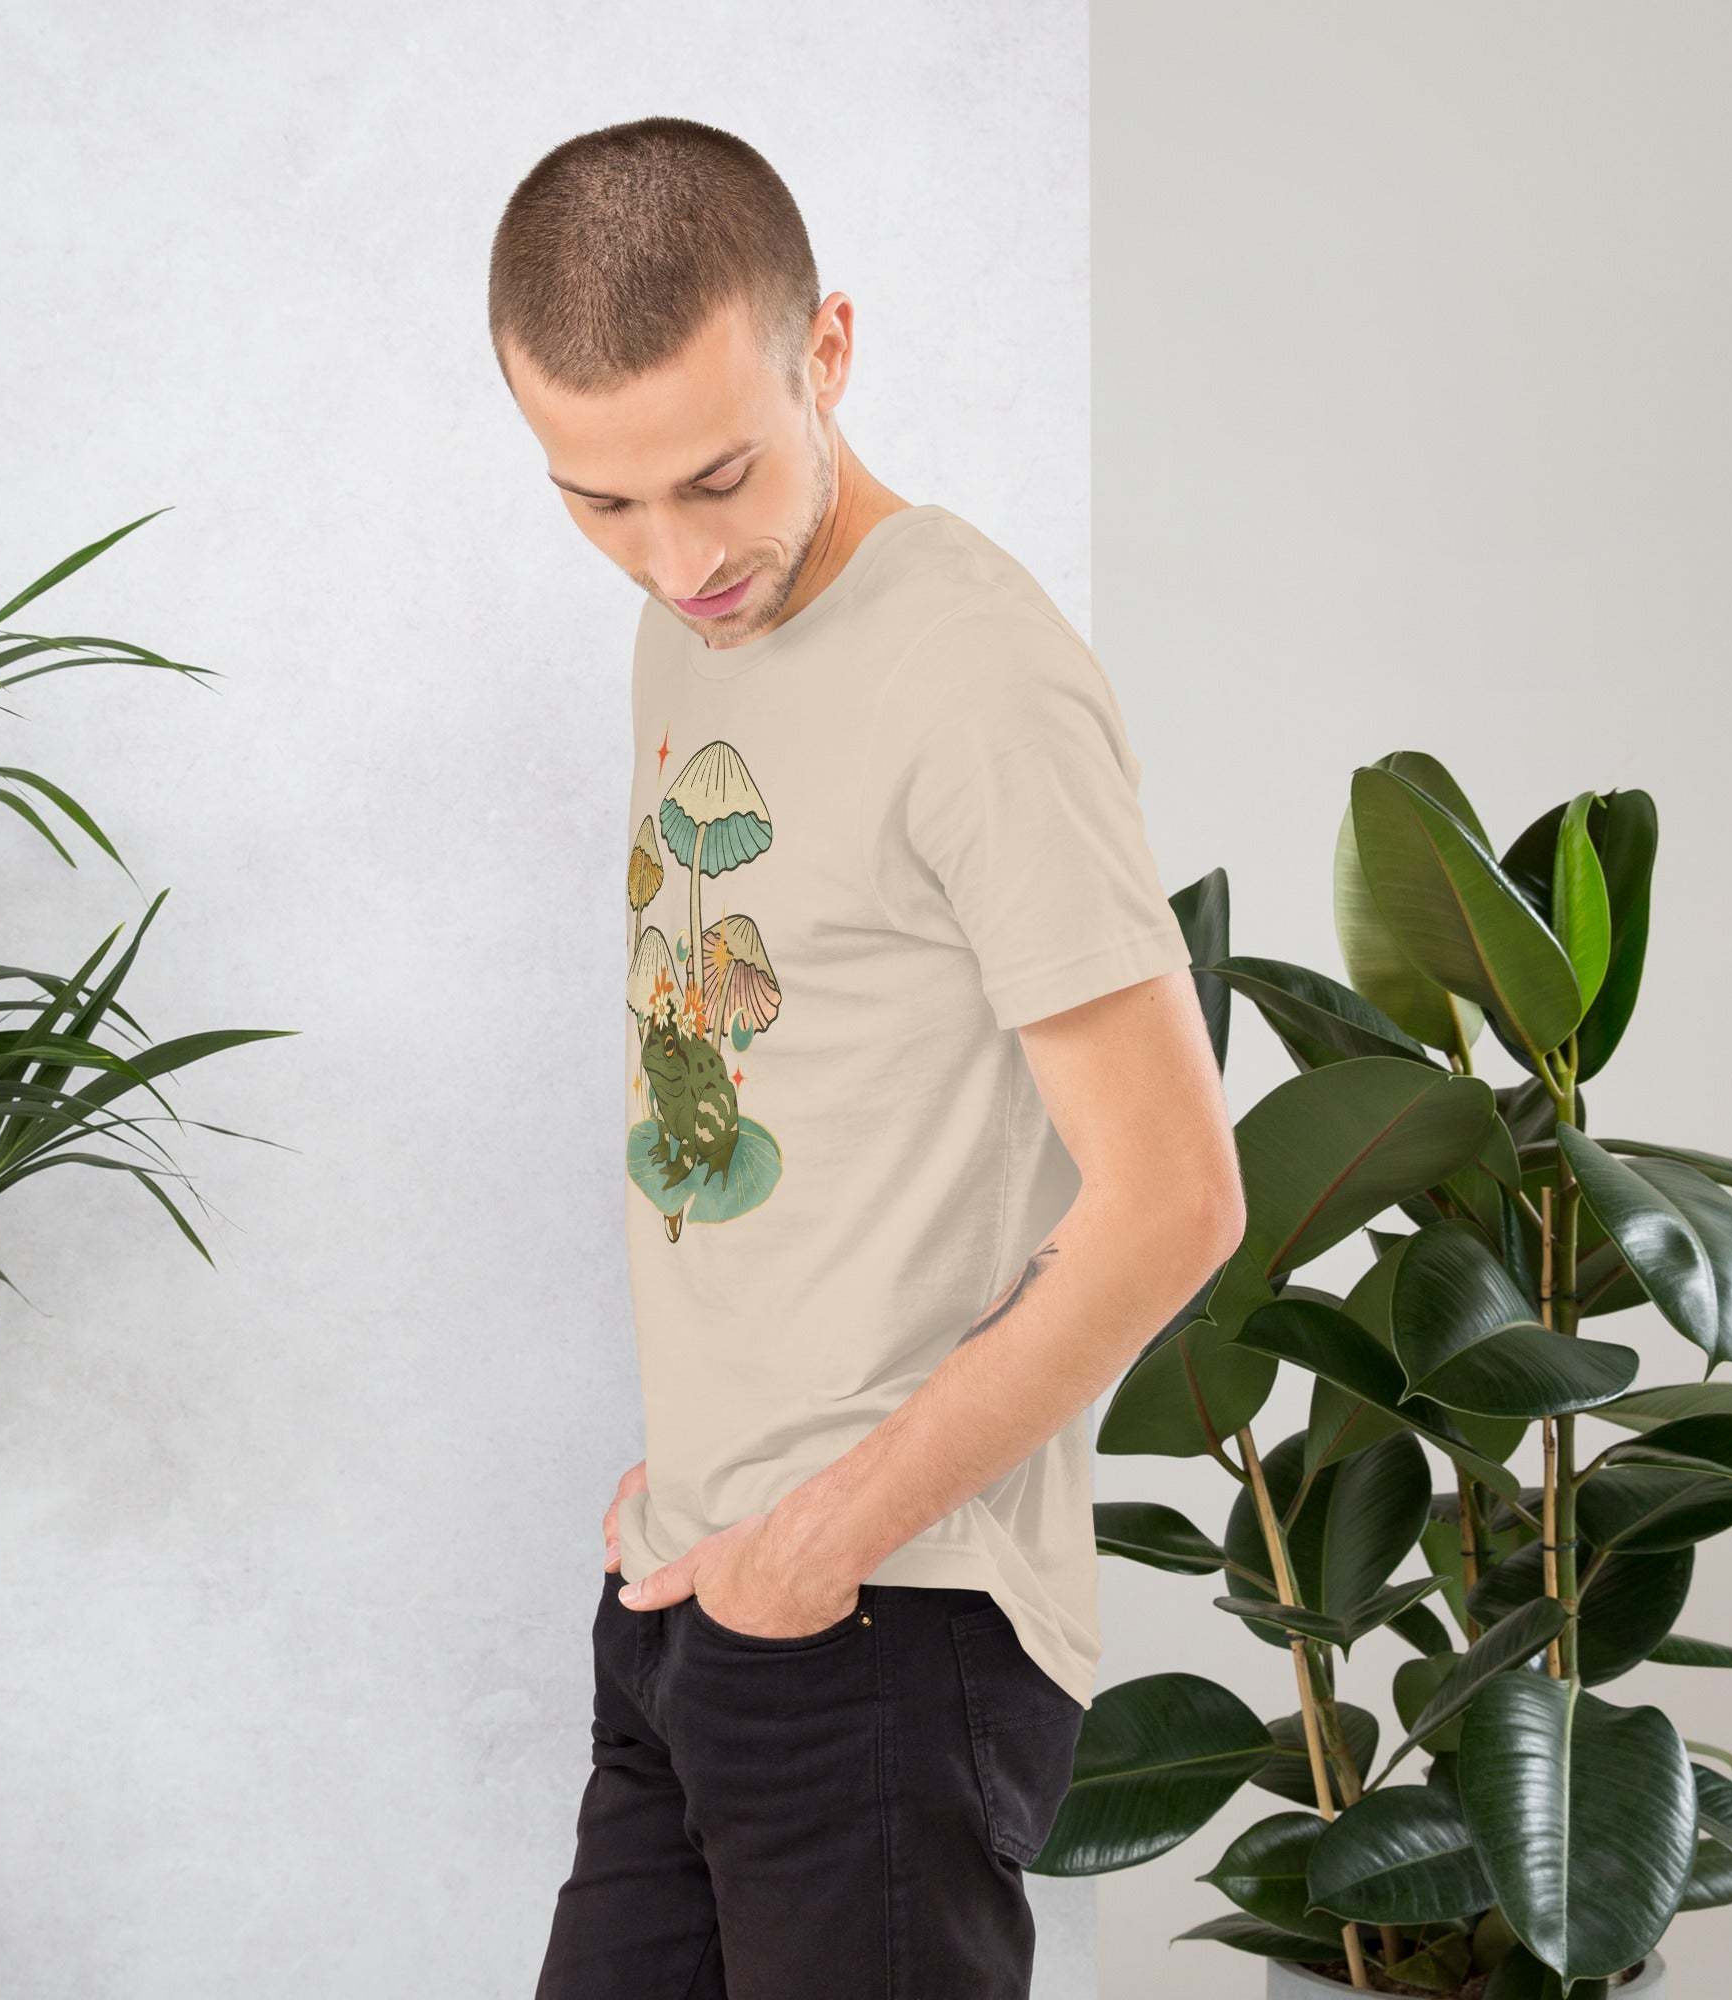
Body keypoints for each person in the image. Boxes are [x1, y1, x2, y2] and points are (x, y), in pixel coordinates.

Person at [489, 115, 1245, 2000]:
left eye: (718, 476)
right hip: (694, 1591)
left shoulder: (979, 678)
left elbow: (1175, 1199)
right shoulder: (696, 629)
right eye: (601, 502)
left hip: (890, 1623)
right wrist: (706, 1491)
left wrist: (826, 1529)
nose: (677, 557)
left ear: (828, 348)